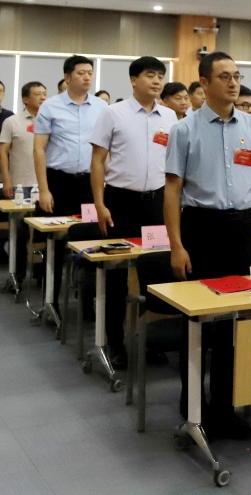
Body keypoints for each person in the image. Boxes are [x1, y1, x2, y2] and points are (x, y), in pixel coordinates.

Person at [165, 51, 251, 440]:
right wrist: (176, 245)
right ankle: (193, 409)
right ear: (204, 82)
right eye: (225, 76)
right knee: (196, 322)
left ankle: (224, 408)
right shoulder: (185, 129)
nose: (233, 83)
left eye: (237, 76)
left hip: (241, 227)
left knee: (232, 324)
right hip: (199, 228)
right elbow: (173, 189)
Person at [88, 56, 176, 370]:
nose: (157, 81)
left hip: (157, 202)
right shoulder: (113, 113)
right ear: (133, 79)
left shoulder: (170, 116)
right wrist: (100, 204)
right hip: (120, 201)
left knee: (155, 273)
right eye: (150, 75)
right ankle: (115, 343)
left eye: (160, 76)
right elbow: (97, 161)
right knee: (116, 275)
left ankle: (148, 340)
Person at [34, 56, 106, 312]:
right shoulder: (50, 106)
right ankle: (50, 302)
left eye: (90, 72)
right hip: (59, 182)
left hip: (89, 183)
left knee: (91, 243)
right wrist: (44, 190)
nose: (87, 77)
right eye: (81, 72)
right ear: (67, 77)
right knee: (54, 244)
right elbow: (39, 149)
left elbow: (105, 150)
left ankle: (88, 303)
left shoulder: (101, 107)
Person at [0, 81, 45, 271]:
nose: (43, 97)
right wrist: (6, 180)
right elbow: (3, 152)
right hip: (21, 186)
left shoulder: (51, 121)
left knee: (44, 232)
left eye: (44, 94)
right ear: (26, 99)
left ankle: (41, 275)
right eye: (37, 94)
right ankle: (17, 274)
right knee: (20, 233)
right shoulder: (12, 121)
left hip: (45, 186)